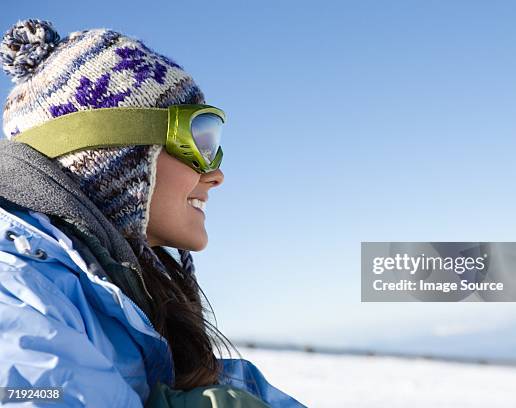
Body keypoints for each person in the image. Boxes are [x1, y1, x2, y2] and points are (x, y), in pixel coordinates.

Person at [0, 19, 306, 407]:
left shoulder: (126, 295)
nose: (215, 174)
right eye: (197, 140)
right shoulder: (17, 295)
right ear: (110, 158)